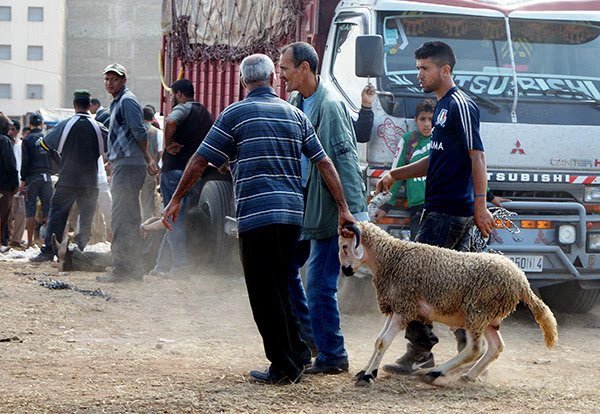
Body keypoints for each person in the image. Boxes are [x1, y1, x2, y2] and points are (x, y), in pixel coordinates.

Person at [162, 53, 355, 384]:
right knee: (282, 284)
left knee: (264, 293)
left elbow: (199, 160)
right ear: (273, 79)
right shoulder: (295, 115)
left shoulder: (234, 114)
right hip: (293, 218)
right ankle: (295, 352)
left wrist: (175, 200)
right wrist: (343, 207)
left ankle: (283, 367)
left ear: (242, 81)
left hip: (257, 218)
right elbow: (324, 162)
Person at [375, 41, 495, 375]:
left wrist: (480, 207)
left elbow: (478, 157)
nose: (419, 75)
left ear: (444, 70)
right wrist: (395, 174)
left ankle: (421, 352)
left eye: (424, 68)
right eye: (418, 68)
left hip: (450, 212)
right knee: (451, 288)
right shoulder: (441, 107)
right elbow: (437, 159)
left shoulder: (461, 105)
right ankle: (467, 352)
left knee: (409, 283)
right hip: (438, 208)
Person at [279, 41, 368, 375]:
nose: (282, 74)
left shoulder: (329, 107)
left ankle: (333, 355)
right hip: (305, 204)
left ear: (304, 68)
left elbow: (342, 159)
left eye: (286, 68)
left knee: (319, 284)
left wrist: (353, 211)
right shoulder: (296, 101)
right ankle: (310, 338)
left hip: (331, 209)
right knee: (287, 267)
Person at [96, 63, 159, 283]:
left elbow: (139, 132)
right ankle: (133, 269)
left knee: (122, 217)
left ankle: (122, 269)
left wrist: (149, 159)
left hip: (129, 165)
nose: (109, 83)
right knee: (129, 217)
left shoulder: (127, 101)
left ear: (123, 80)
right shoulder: (118, 102)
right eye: (107, 79)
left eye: (114, 79)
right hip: (124, 163)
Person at [30, 90, 108, 262]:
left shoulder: (65, 124)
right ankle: (80, 249)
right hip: (90, 181)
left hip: (68, 179)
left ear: (74, 105)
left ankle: (49, 251)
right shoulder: (98, 127)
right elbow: (110, 147)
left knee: (58, 214)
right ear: (90, 106)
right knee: (86, 217)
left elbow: (44, 144)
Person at [151, 79, 213, 277]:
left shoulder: (184, 108)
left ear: (179, 94)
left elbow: (170, 121)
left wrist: (167, 144)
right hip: (193, 174)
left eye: (172, 95)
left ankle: (180, 267)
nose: (172, 99)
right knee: (175, 218)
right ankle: (161, 266)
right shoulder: (204, 113)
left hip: (174, 171)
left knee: (173, 219)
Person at [374, 99, 435, 239]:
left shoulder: (442, 139)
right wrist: (385, 206)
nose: (427, 124)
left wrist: (489, 197)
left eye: (431, 119)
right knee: (419, 252)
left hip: (440, 206)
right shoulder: (409, 141)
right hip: (417, 209)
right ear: (415, 120)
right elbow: (395, 172)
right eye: (422, 119)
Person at [20, 113, 53, 247]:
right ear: (41, 124)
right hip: (47, 176)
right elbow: (54, 157)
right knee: (48, 209)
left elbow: (25, 161)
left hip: (32, 177)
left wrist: (23, 180)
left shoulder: (27, 140)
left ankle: (30, 242)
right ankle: (49, 242)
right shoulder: (47, 138)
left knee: (31, 209)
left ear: (30, 124)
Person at [0, 114, 19, 252]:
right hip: (4, 186)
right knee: (3, 216)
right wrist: (15, 184)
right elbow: (10, 164)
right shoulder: (5, 141)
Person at [6, 119, 26, 248]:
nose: (11, 132)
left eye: (13, 129)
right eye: (9, 129)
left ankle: (16, 239)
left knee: (21, 211)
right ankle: (6, 237)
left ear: (18, 131)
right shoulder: (5, 143)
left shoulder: (21, 145)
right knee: (8, 211)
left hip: (20, 181)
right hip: (7, 183)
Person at [139, 106, 161, 221]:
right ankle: (146, 226)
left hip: (134, 170)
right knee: (147, 201)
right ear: (152, 117)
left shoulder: (136, 130)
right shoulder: (156, 132)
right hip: (150, 172)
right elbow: (159, 153)